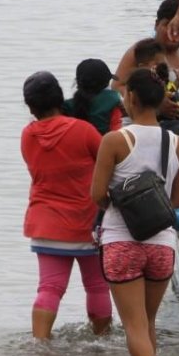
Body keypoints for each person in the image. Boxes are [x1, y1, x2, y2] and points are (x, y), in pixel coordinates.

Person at [91, 68, 179, 356]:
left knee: (134, 326)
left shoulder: (115, 140)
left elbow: (96, 195)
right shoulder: (176, 143)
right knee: (146, 325)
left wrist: (120, 203)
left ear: (131, 97)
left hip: (122, 242)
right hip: (161, 244)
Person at [20, 71, 111, 339]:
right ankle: (102, 340)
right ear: (60, 97)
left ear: (30, 106)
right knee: (96, 286)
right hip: (86, 222)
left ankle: (40, 344)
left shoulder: (28, 136)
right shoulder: (83, 130)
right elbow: (108, 163)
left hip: (46, 223)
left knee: (49, 287)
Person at [113, 0, 179, 117]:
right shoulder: (141, 51)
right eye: (167, 24)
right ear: (156, 24)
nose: (173, 32)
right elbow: (117, 86)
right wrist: (154, 104)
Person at [62, 58, 123, 135]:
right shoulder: (112, 100)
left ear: (78, 82)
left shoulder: (66, 105)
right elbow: (116, 133)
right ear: (106, 83)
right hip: (104, 145)